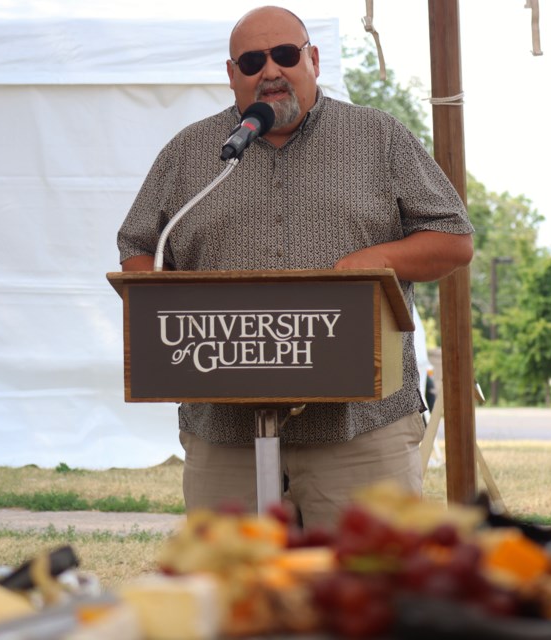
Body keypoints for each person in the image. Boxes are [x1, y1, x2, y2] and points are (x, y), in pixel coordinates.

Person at [117, 6, 474, 529]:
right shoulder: (191, 151)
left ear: (314, 60)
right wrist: (165, 304)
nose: (270, 71)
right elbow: (140, 244)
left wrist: (377, 259)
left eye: (285, 55)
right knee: (237, 594)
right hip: (224, 432)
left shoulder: (378, 137)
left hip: (360, 430)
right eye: (251, 61)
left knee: (366, 594)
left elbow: (454, 238)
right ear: (231, 74)